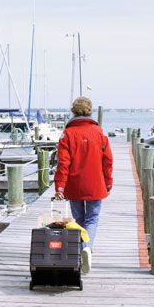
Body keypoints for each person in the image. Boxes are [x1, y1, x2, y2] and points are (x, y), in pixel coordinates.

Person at [54, 97, 113, 274]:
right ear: (89, 111)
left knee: (79, 220)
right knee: (92, 219)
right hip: (96, 184)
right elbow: (108, 161)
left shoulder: (67, 134)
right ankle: (87, 248)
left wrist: (60, 188)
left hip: (74, 185)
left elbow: (63, 164)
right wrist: (108, 182)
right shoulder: (100, 133)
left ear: (73, 111)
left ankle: (82, 249)